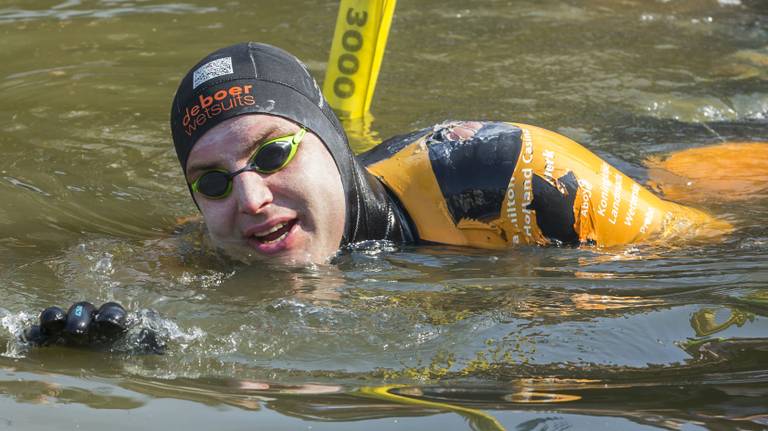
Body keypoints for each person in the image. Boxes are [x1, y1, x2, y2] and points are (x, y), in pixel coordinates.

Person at [169, 42, 733, 266]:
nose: (250, 198)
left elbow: (714, 247)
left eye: (272, 155)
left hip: (690, 170)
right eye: (213, 182)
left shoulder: (512, 176)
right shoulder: (226, 233)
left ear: (331, 143)